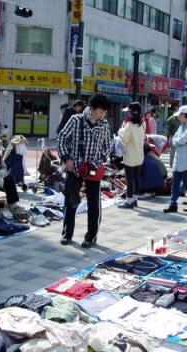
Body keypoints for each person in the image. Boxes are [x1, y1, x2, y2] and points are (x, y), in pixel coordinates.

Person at [57, 93, 112, 248]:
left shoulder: (104, 125)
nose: (102, 115)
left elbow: (108, 145)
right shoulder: (76, 120)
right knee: (71, 201)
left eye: (105, 113)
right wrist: (67, 159)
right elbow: (61, 138)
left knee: (94, 203)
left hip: (93, 169)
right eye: (100, 111)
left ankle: (91, 237)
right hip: (74, 167)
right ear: (92, 108)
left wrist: (100, 159)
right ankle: (67, 234)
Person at [163, 105, 187, 213]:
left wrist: (177, 141)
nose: (179, 117)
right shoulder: (181, 126)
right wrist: (178, 141)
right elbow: (174, 140)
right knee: (175, 183)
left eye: (180, 115)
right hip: (178, 159)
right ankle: (173, 204)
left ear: (184, 115)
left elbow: (180, 140)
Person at [118, 102, 146, 209]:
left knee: (130, 180)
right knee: (136, 178)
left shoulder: (128, 125)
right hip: (139, 155)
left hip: (130, 156)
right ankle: (134, 199)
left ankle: (129, 201)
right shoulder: (143, 123)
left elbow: (124, 138)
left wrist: (121, 129)